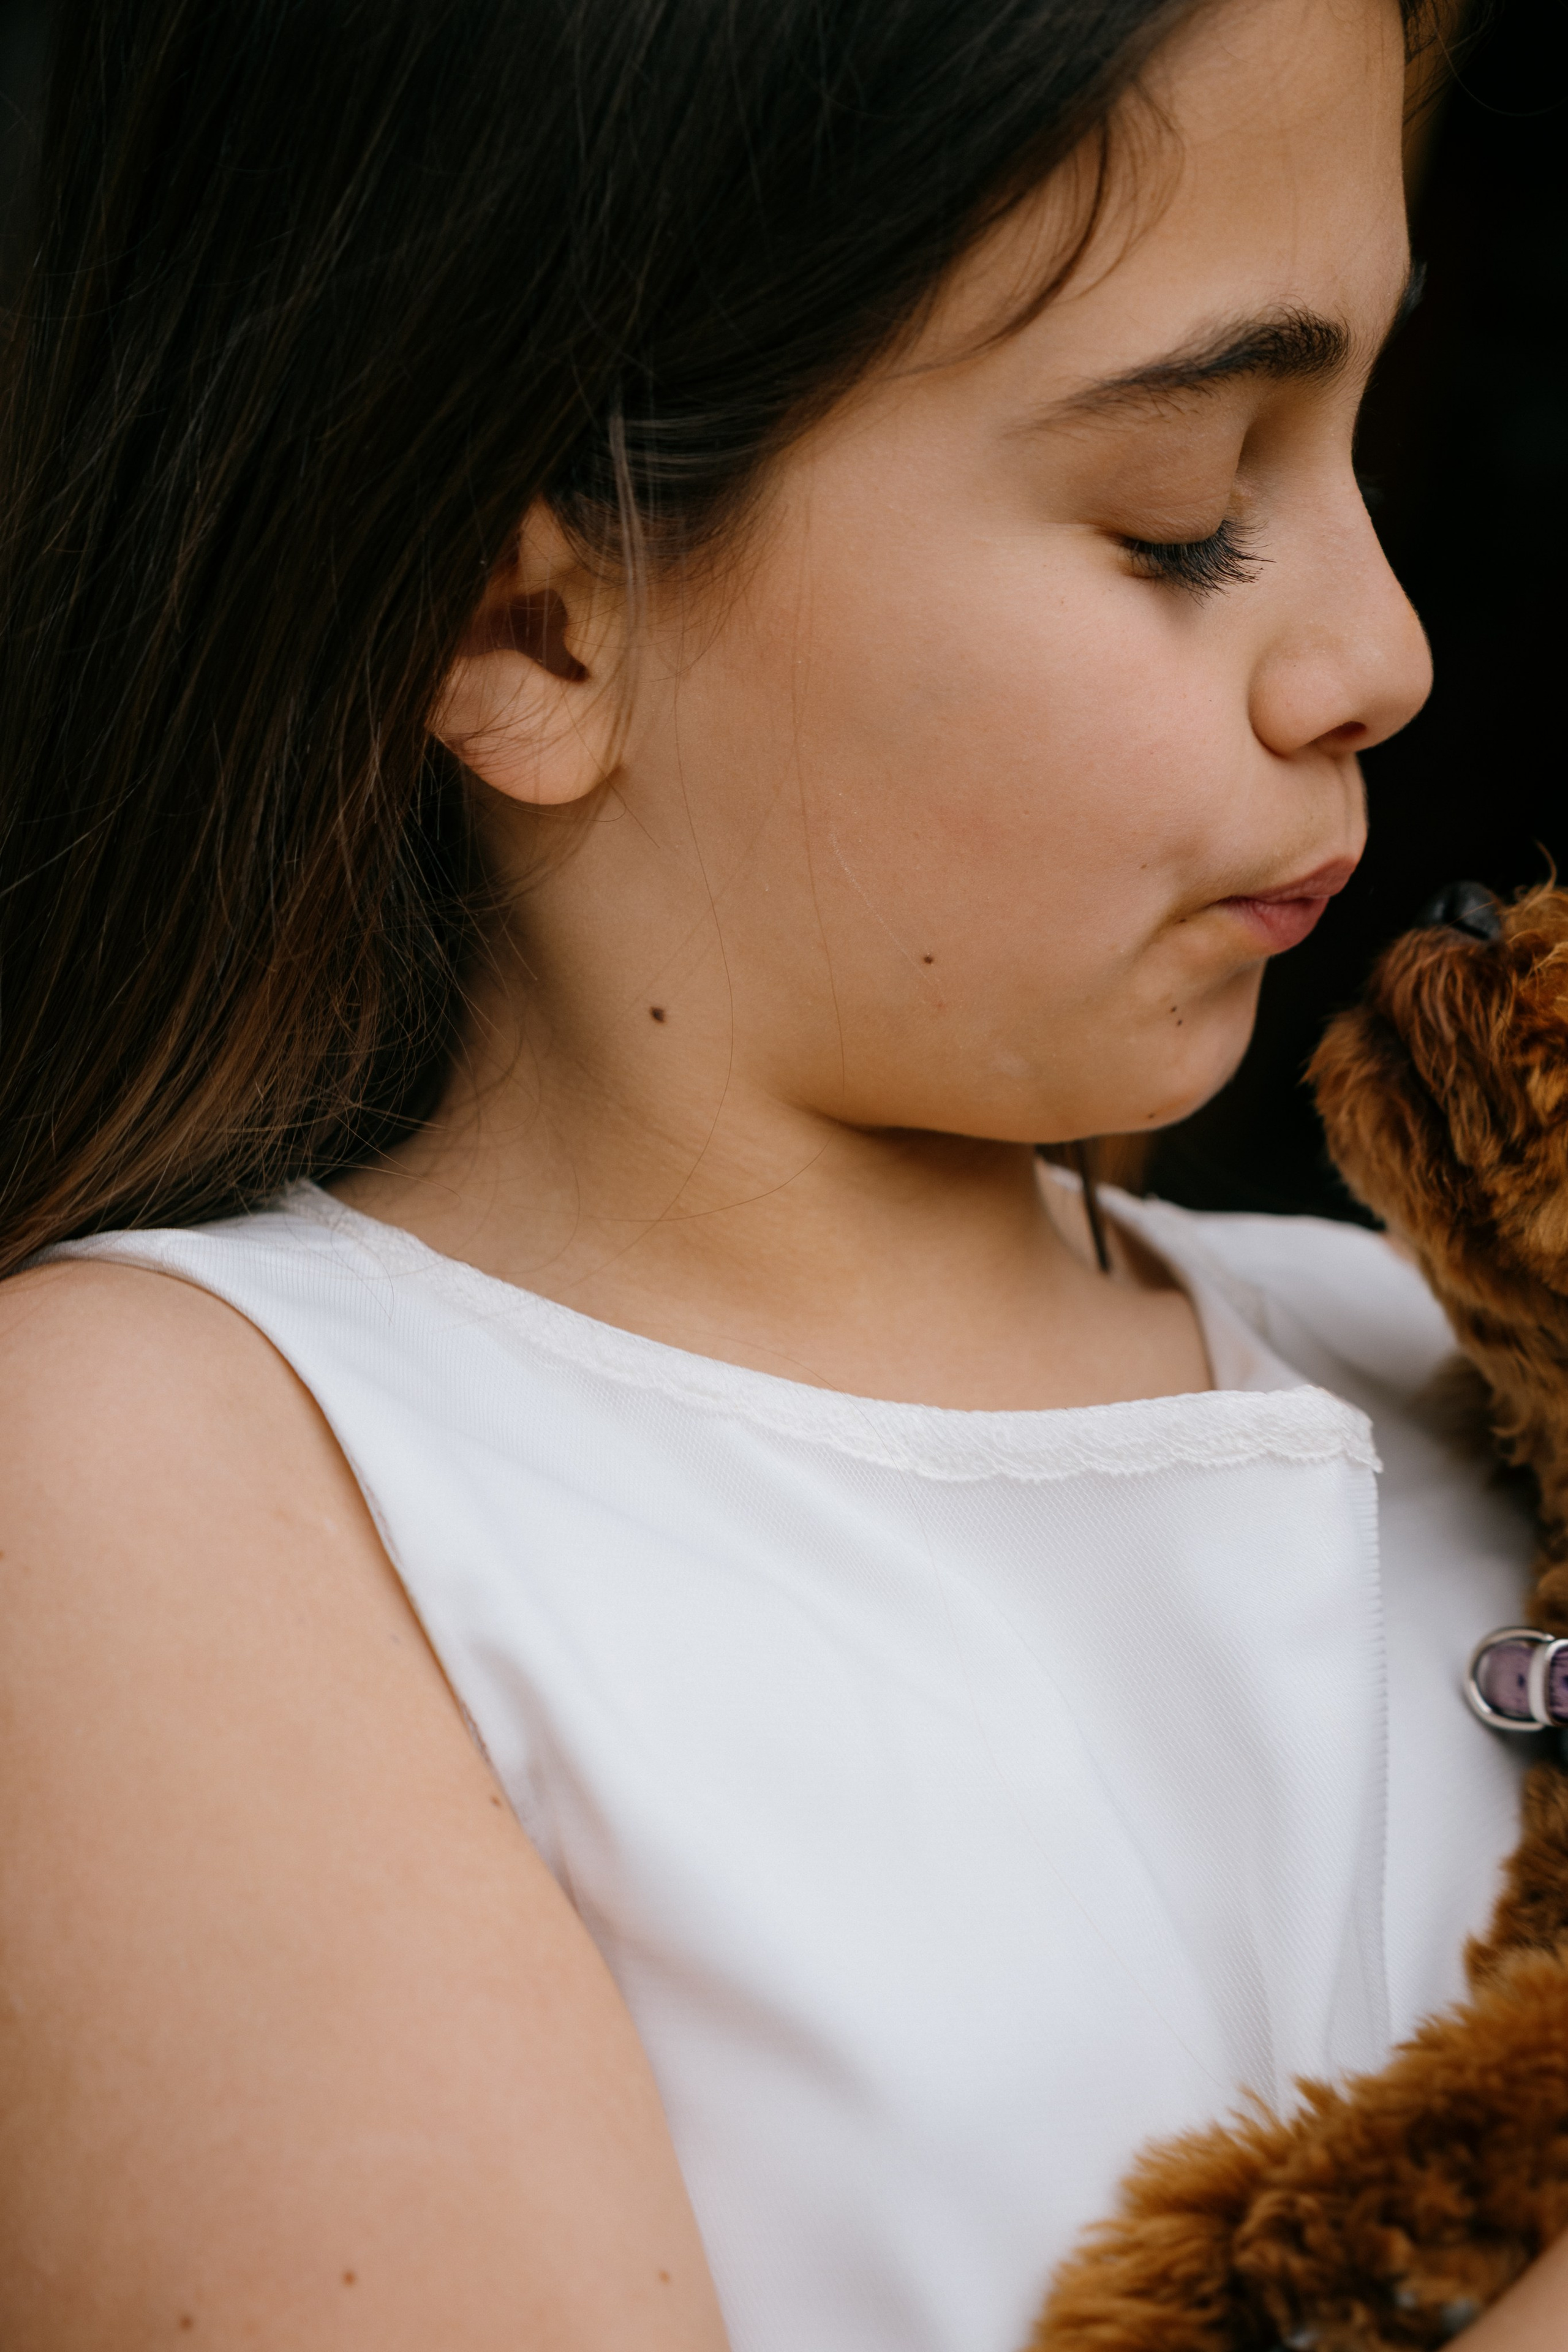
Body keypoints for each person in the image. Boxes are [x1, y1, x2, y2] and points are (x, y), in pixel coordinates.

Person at [0, 0, 1557, 2344]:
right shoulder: (172, 1482)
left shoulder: (1439, 1357)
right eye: (1182, 516)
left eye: (1365, 440)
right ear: (532, 616)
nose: (1379, 652)